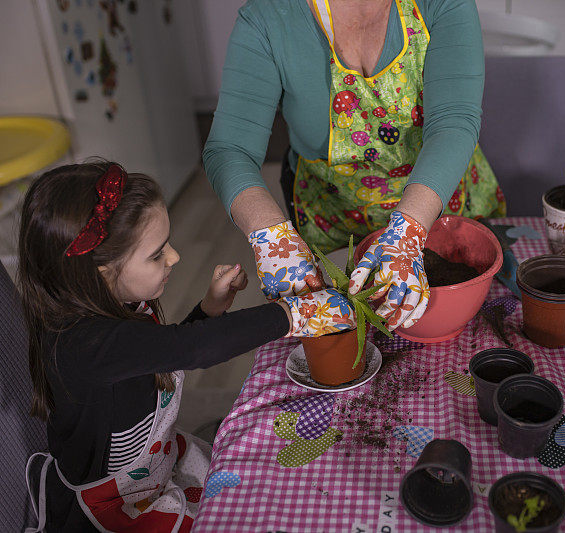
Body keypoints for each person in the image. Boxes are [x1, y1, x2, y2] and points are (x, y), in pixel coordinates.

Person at [18, 161, 355, 531]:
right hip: (117, 504)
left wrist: (208, 310)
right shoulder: (84, 343)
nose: (174, 257)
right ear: (100, 272)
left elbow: (162, 350)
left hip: (155, 466)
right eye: (157, 254)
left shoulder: (110, 307)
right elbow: (191, 349)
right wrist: (292, 315)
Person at [203, 0, 506, 331]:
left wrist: (407, 233)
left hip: (440, 217)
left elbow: (453, 121)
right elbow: (230, 148)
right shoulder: (269, 19)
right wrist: (271, 237)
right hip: (334, 227)